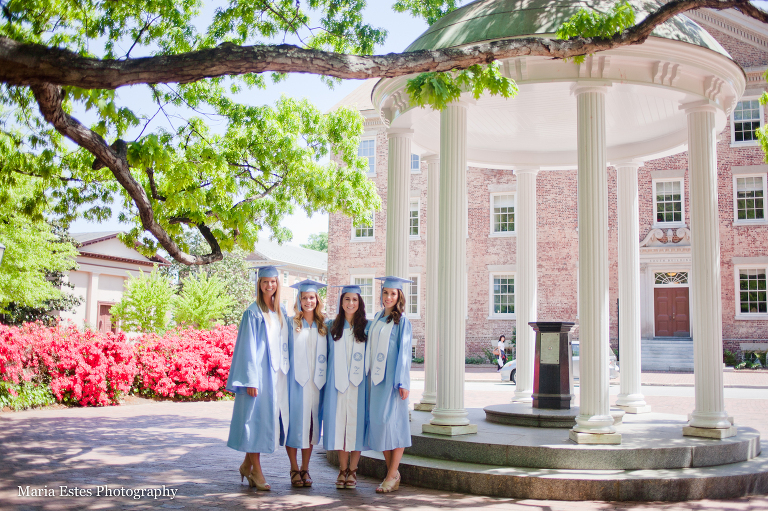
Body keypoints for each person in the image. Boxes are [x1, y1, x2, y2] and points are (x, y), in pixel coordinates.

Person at [225, 265, 291, 491]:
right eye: (265, 281)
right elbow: (247, 348)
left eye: (273, 281)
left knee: (263, 422)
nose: (269, 285)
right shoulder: (253, 312)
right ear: (259, 284)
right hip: (259, 377)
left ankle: (246, 465)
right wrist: (250, 380)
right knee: (254, 421)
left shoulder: (279, 311)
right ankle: (257, 472)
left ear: (277, 284)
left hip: (276, 377)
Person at [366, 276, 413, 493]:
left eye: (393, 294)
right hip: (376, 380)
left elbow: (404, 354)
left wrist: (403, 382)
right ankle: (392, 473)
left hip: (393, 382)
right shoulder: (376, 318)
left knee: (395, 425)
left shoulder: (402, 321)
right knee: (380, 424)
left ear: (399, 296)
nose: (388, 297)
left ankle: (392, 474)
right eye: (385, 293)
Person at [323, 285, 369, 490]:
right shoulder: (332, 326)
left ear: (360, 304)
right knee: (341, 426)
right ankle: (342, 470)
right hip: (338, 385)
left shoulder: (367, 327)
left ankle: (353, 470)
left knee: (356, 426)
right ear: (341, 303)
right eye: (347, 299)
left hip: (359, 386)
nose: (351, 303)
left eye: (355, 300)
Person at [285, 279, 328, 488]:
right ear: (299, 300)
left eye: (312, 297)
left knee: (311, 428)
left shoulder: (324, 326)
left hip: (317, 385)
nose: (308, 301)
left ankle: (305, 468)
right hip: (295, 385)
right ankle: (294, 468)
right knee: (294, 426)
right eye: (304, 297)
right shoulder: (290, 324)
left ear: (317, 299)